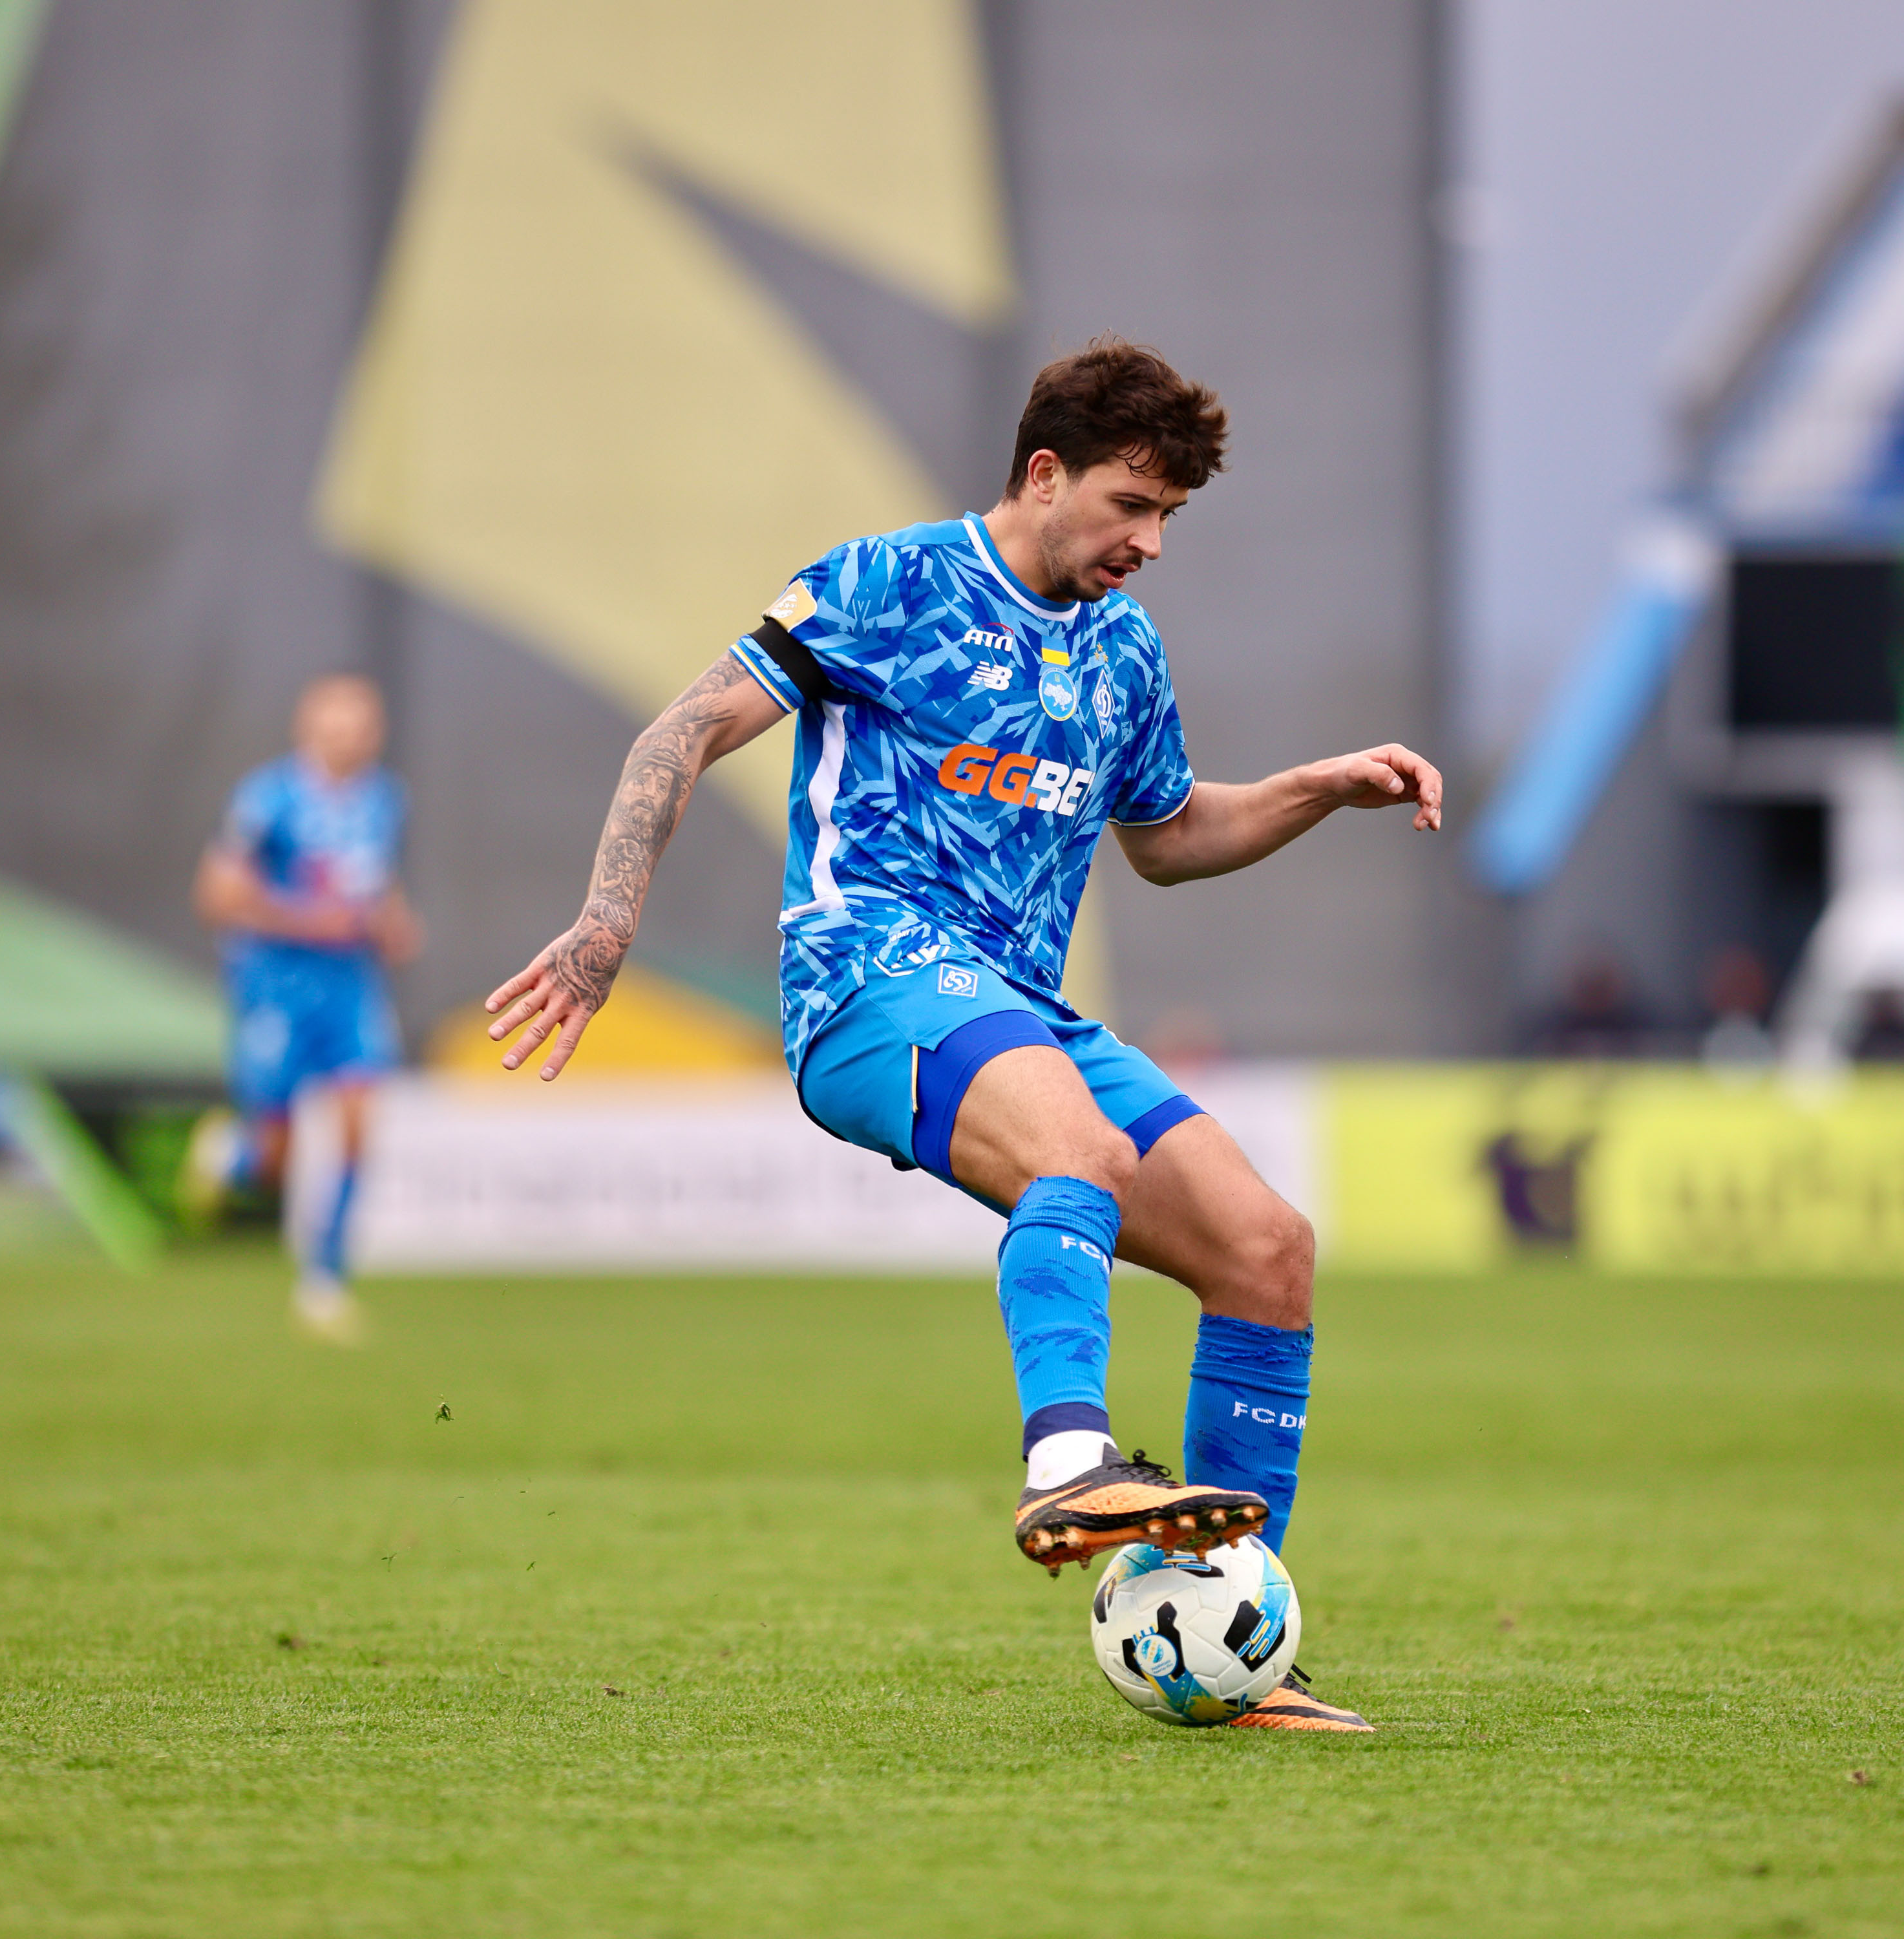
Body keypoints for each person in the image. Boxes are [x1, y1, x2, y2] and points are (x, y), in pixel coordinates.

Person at [482, 339, 1444, 1732]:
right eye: (1130, 504)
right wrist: (602, 925)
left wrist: (1314, 788)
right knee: (1078, 1145)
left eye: (1169, 515)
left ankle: (1233, 1641)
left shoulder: (1123, 648)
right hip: (864, 976)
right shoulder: (888, 583)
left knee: (1266, 1248)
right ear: (1043, 474)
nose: (1150, 542)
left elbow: (1168, 837)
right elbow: (678, 733)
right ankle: (1066, 1465)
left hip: (1017, 1007)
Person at [185, 673, 423, 1340]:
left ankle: (324, 1282)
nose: (352, 740)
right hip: (275, 985)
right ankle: (229, 1155)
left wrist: (394, 923)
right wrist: (309, 921)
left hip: (351, 987)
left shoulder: (385, 799)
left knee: (359, 1123)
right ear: (308, 729)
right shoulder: (268, 799)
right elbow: (217, 897)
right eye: (337, 727)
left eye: (362, 727)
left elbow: (373, 884)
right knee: (275, 1159)